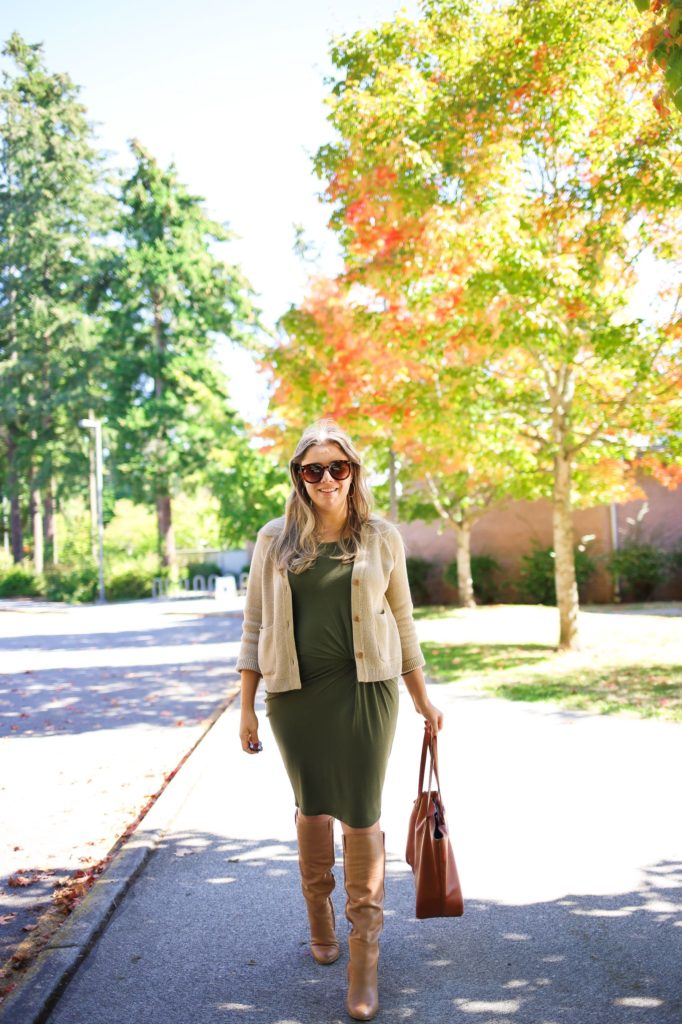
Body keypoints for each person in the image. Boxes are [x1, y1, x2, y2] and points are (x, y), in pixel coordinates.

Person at [237, 420, 443, 1022]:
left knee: (361, 811)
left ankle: (364, 957)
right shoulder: (274, 540)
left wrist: (423, 699)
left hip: (367, 692)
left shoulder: (381, 538)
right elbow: (253, 627)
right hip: (295, 698)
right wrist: (246, 705)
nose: (326, 479)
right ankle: (318, 915)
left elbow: (403, 621)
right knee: (311, 806)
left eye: (337, 467)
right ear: (298, 478)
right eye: (313, 470)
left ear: (353, 472)